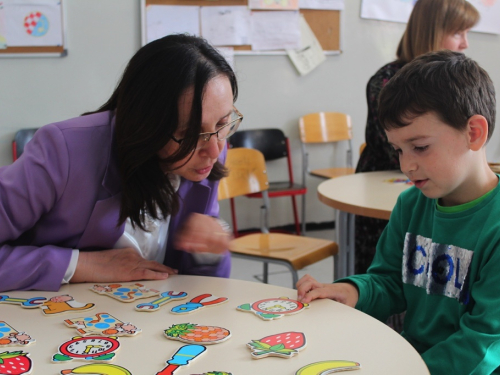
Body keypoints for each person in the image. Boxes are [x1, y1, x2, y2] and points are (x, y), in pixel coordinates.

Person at [298, 50, 499, 374]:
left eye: (419, 147)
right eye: (398, 150)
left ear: (473, 133)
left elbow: (481, 345)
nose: (406, 165)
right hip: (409, 361)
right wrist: (352, 291)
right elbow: (391, 281)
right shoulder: (411, 204)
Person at [0, 34, 242, 292]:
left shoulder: (208, 151)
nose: (215, 149)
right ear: (148, 125)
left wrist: (208, 251)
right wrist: (81, 264)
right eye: (190, 135)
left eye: (222, 124)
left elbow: (199, 287)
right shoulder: (64, 150)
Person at [355, 0, 480, 275]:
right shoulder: (387, 81)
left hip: (432, 193)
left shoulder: (457, 86)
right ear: (432, 31)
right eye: (458, 33)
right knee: (389, 276)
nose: (465, 43)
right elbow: (381, 281)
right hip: (384, 197)